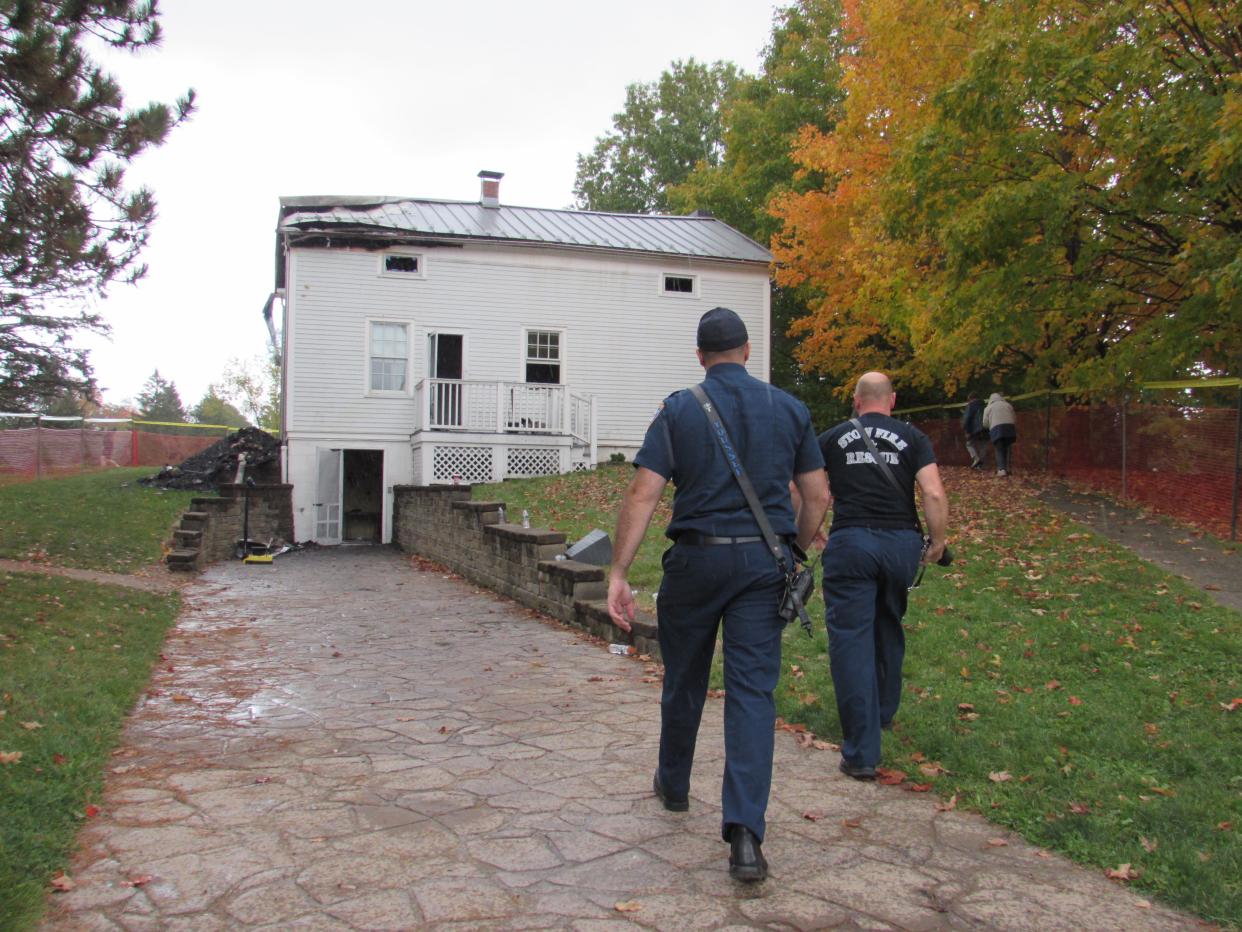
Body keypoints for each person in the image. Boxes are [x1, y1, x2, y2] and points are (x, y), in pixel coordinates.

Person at [607, 306, 829, 883]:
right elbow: (817, 495)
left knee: (685, 677)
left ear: (701, 356)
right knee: (753, 692)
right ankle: (745, 836)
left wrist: (619, 572)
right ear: (748, 351)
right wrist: (795, 549)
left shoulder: (680, 409)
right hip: (763, 566)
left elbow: (642, 494)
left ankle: (674, 785)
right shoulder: (791, 410)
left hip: (697, 561)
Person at [817, 372, 948, 780]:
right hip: (900, 547)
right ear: (891, 401)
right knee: (888, 623)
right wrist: (938, 541)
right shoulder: (913, 437)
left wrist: (811, 530)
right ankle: (884, 712)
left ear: (856, 402)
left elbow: (809, 491)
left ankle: (861, 752)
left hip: (851, 544)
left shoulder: (831, 438)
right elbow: (933, 492)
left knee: (852, 638)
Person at [982, 392, 1017, 477]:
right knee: (1007, 448)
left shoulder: (988, 408)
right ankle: (1007, 468)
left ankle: (1001, 469)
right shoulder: (1008, 405)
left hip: (997, 428)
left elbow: (985, 423)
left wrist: (990, 425)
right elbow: (1014, 418)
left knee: (999, 448)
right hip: (1009, 427)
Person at [961, 394, 988, 469]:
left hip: (974, 429)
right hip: (985, 428)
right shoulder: (984, 405)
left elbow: (967, 418)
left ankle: (976, 458)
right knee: (983, 445)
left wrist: (966, 430)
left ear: (970, 398)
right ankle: (981, 465)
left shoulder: (971, 405)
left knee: (969, 444)